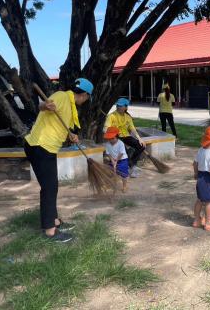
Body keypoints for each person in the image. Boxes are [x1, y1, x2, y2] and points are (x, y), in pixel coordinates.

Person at [24, 78, 93, 242]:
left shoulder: (70, 105)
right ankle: (50, 230)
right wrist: (44, 105)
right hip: (40, 146)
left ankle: (54, 221)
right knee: (49, 187)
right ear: (84, 95)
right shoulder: (62, 96)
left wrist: (71, 134)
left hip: (45, 147)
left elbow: (59, 123)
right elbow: (43, 106)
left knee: (51, 186)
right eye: (88, 97)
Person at [104, 98, 145, 178]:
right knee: (124, 150)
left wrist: (139, 138)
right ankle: (130, 167)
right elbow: (106, 128)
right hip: (116, 137)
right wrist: (111, 134)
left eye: (120, 106)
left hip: (126, 136)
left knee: (141, 146)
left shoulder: (127, 117)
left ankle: (132, 164)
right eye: (118, 105)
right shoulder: (111, 116)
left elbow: (132, 128)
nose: (118, 107)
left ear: (126, 107)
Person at [104, 126, 129, 192]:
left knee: (124, 174)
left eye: (112, 138)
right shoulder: (107, 144)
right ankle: (109, 184)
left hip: (122, 160)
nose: (111, 140)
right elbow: (108, 153)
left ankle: (125, 186)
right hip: (113, 160)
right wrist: (112, 161)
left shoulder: (120, 143)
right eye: (109, 139)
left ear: (117, 137)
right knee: (109, 172)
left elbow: (121, 153)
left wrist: (116, 161)